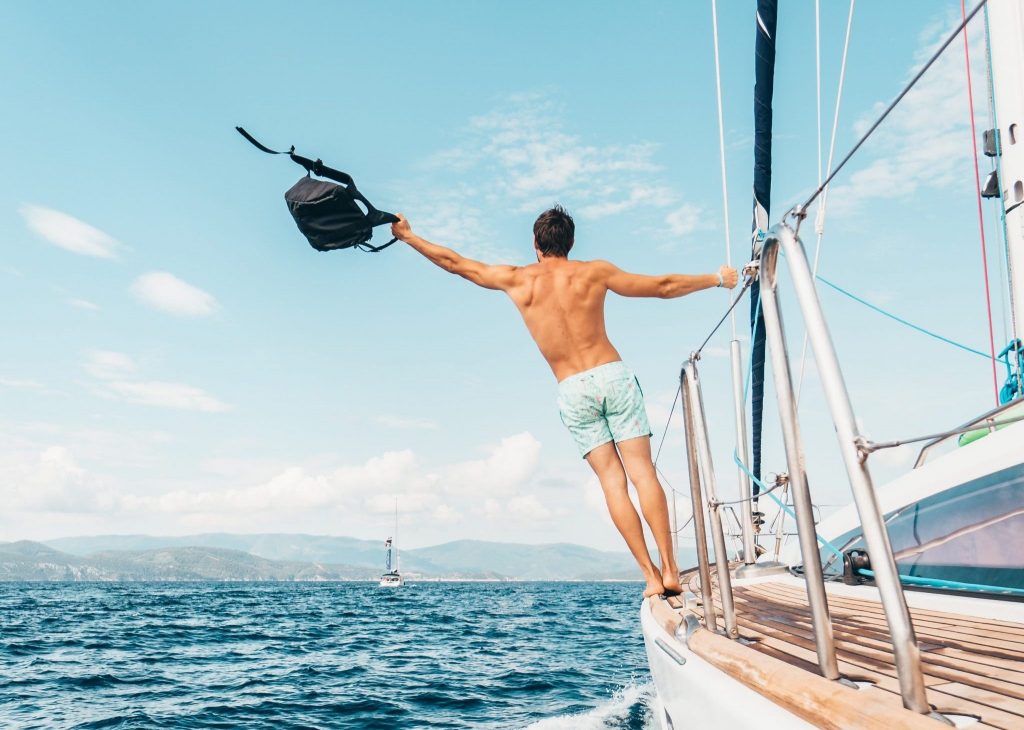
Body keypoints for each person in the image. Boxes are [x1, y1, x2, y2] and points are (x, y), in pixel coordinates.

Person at [391, 206, 738, 597]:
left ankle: (651, 578)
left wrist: (408, 236)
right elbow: (663, 286)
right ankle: (672, 569)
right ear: (570, 243)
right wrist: (715, 278)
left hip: (572, 388)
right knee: (643, 472)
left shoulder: (517, 280)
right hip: (612, 374)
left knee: (613, 482)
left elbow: (455, 263)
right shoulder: (595, 272)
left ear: (537, 245)